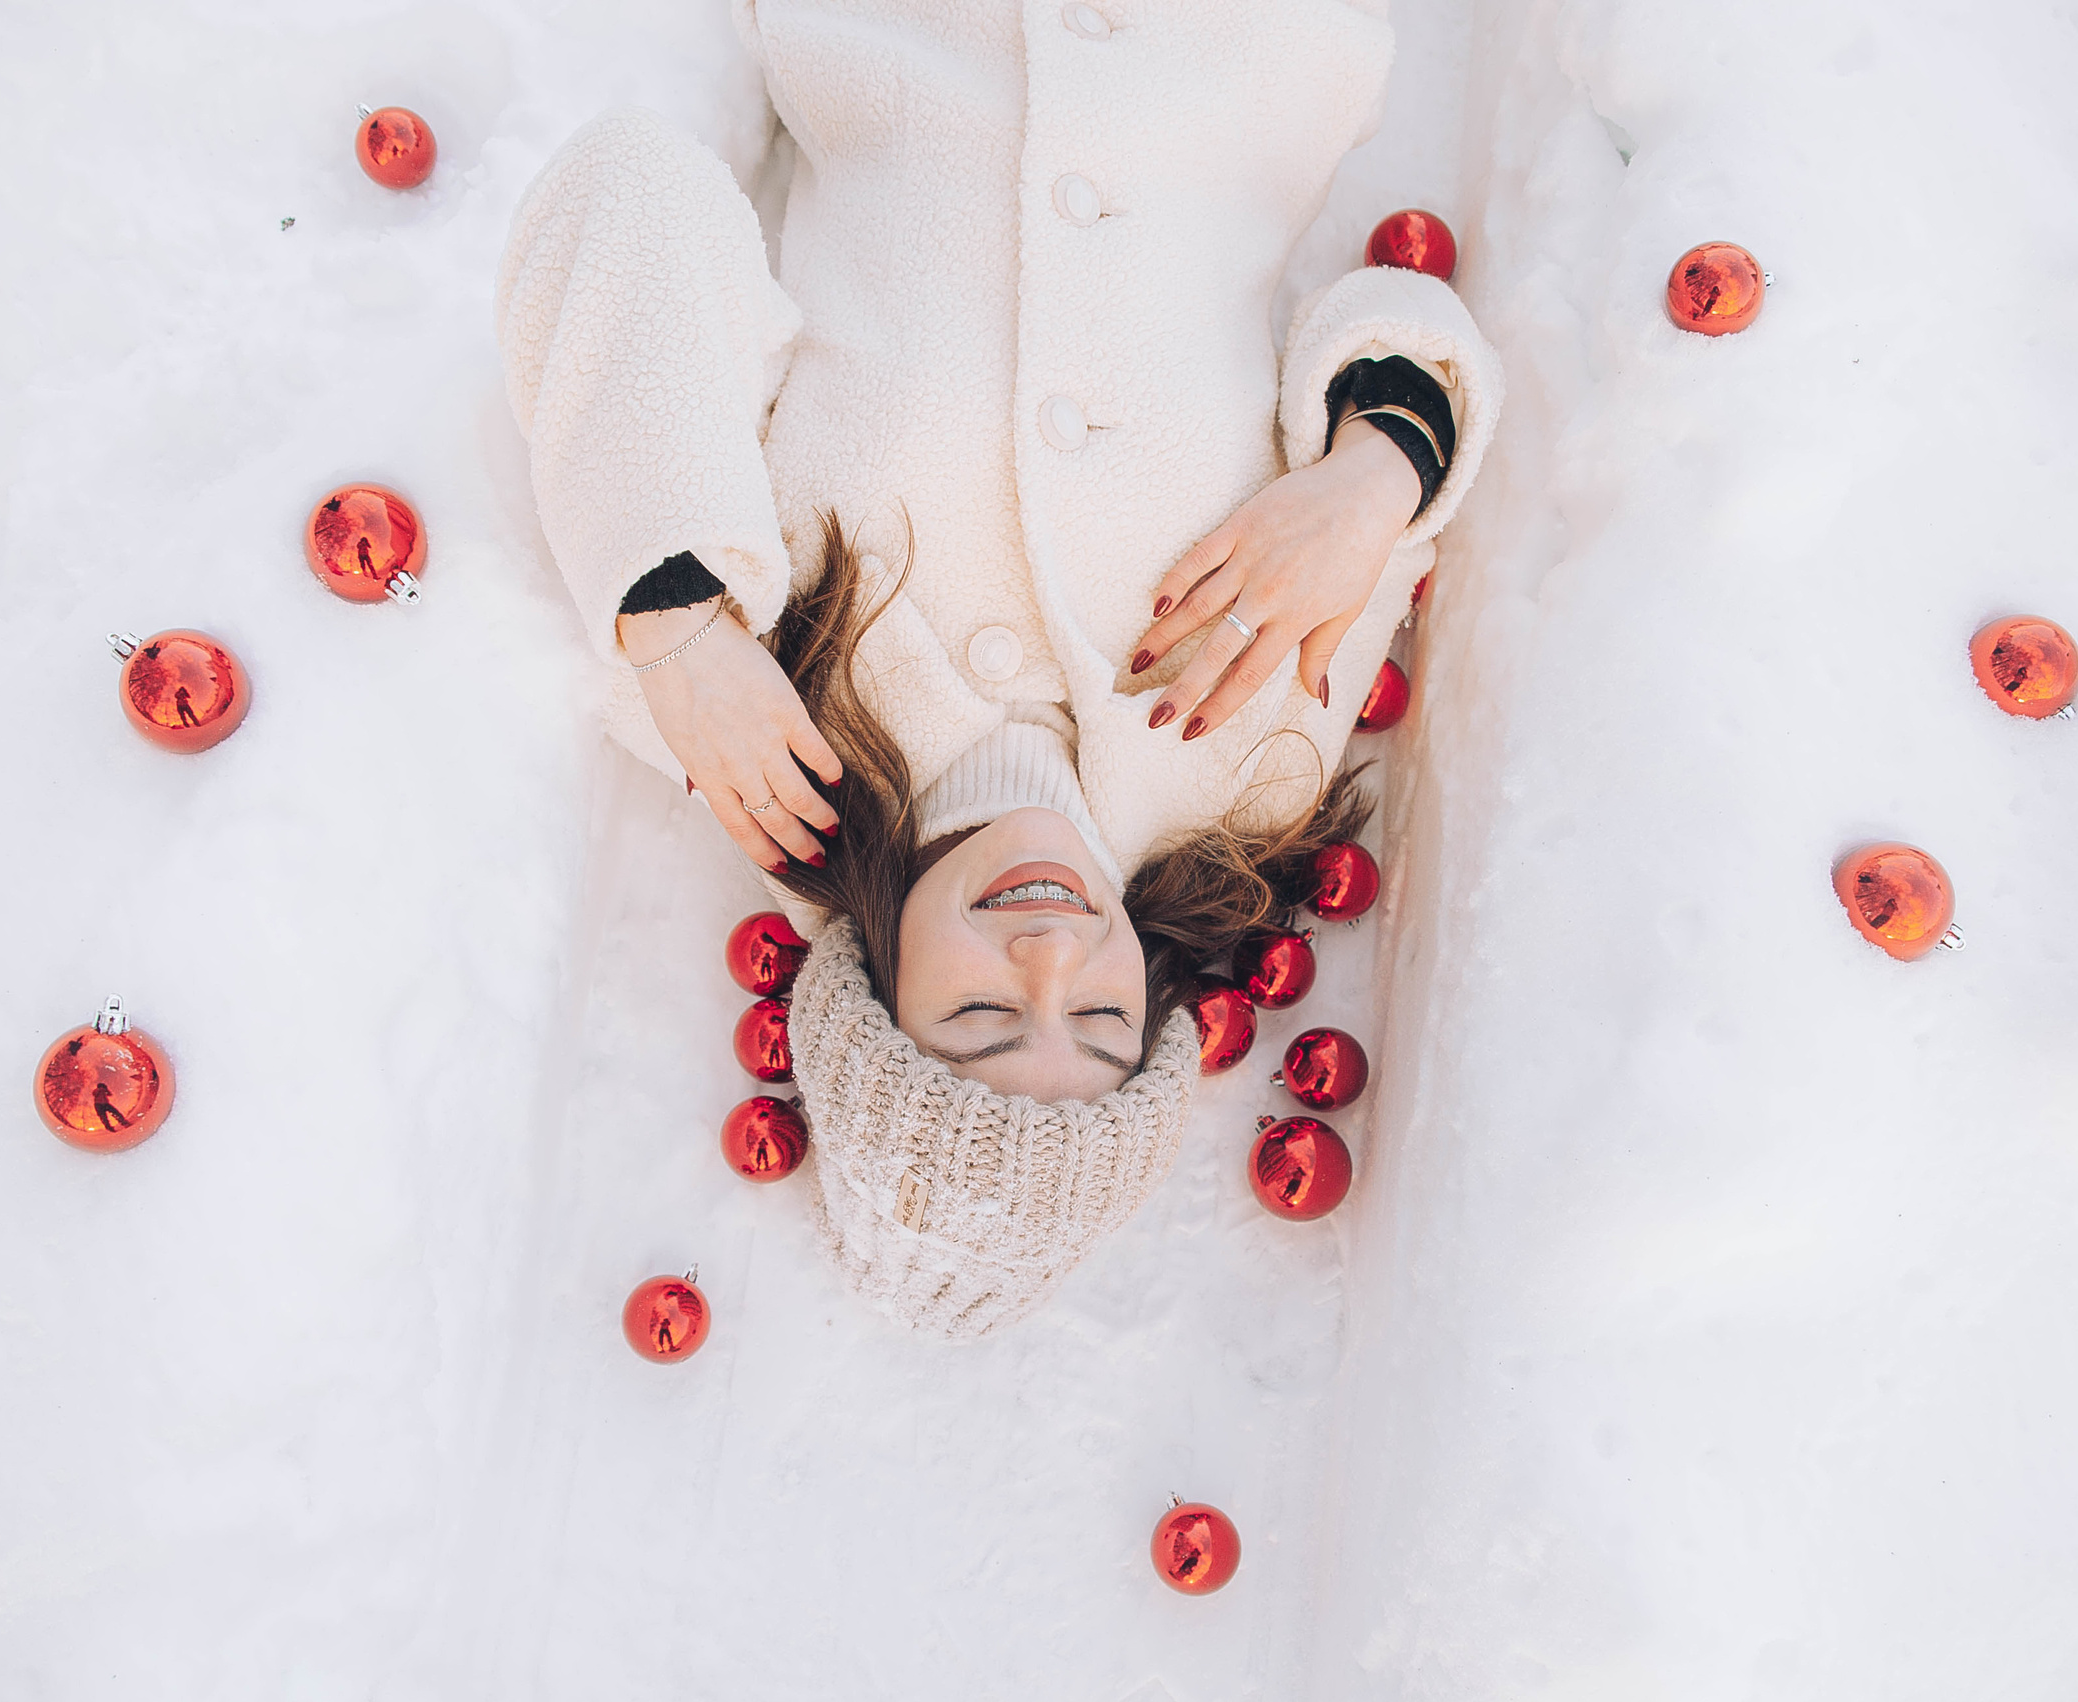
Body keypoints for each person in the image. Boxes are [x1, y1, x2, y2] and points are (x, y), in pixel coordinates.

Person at [498, 0, 1500, 1337]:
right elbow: (1397, 314)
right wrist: (1373, 477)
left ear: (874, 985)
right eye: (1098, 1027)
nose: (1050, 955)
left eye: (978, 1014)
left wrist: (675, 619)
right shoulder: (1252, 781)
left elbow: (624, 191)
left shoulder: (753, 722)